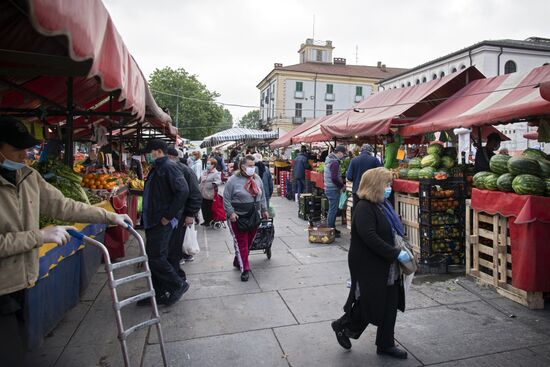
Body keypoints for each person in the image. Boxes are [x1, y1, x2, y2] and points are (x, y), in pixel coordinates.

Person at [0, 117, 132, 365]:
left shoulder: (29, 176)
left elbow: (64, 206)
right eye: (16, 149)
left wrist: (109, 215)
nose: (23, 155)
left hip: (23, 281)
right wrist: (38, 236)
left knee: (18, 345)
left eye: (26, 148)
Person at [331, 167, 410, 360]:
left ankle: (385, 344)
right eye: (387, 184)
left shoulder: (380, 204)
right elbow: (370, 237)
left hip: (386, 263)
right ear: (376, 185)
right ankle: (343, 325)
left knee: (390, 304)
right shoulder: (364, 207)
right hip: (370, 264)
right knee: (370, 304)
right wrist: (395, 253)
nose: (389, 188)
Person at [139, 139, 190, 307]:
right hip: (153, 220)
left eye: (149, 152)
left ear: (158, 152)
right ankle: (158, 292)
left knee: (157, 258)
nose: (147, 156)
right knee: (153, 257)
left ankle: (177, 284)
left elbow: (183, 191)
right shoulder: (159, 167)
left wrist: (168, 216)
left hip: (161, 221)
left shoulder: (168, 167)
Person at [223, 155, 268, 282]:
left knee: (248, 242)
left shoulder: (257, 178)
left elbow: (262, 195)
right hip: (238, 217)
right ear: (242, 167)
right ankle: (245, 269)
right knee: (241, 243)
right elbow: (226, 198)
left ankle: (238, 260)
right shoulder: (233, 180)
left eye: (253, 165)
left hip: (254, 216)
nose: (252, 168)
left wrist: (264, 210)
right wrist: (231, 212)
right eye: (249, 166)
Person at [166, 147, 202, 274]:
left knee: (175, 246)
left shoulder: (184, 170)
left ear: (169, 156)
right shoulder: (169, 169)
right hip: (170, 216)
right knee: (170, 246)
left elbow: (195, 194)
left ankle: (177, 277)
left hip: (179, 215)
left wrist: (190, 214)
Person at [346, 144, 382, 209]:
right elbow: (381, 175)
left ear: (361, 150)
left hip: (357, 191)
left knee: (357, 210)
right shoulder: (375, 160)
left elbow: (349, 177)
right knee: (369, 211)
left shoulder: (354, 160)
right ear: (370, 151)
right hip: (370, 192)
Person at [324, 145, 347, 238]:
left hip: (328, 188)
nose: (343, 156)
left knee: (331, 209)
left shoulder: (328, 159)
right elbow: (334, 178)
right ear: (339, 153)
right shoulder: (335, 163)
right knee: (333, 210)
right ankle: (331, 229)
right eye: (343, 154)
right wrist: (342, 185)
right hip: (332, 189)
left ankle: (331, 228)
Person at [199, 158, 222, 225]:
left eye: (209, 164)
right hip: (203, 192)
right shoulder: (206, 171)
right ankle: (206, 220)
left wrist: (213, 184)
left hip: (210, 194)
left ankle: (210, 221)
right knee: (203, 208)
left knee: (209, 209)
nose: (207, 165)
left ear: (213, 165)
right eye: (207, 163)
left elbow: (218, 181)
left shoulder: (216, 173)